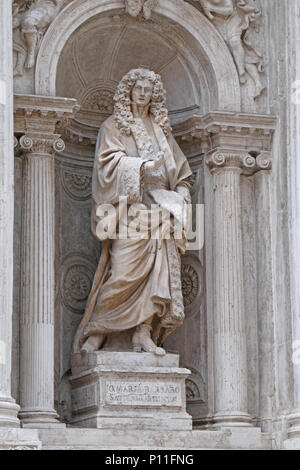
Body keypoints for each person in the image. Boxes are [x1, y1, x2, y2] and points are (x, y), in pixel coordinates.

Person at [72, 68, 192, 357]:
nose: (142, 93)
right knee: (122, 273)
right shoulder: (113, 126)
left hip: (161, 209)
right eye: (137, 88)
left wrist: (183, 193)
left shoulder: (161, 130)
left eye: (148, 89)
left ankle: (143, 332)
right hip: (130, 210)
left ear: (155, 95)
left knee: (156, 274)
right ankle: (97, 331)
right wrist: (141, 167)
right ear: (128, 91)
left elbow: (181, 172)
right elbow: (106, 165)